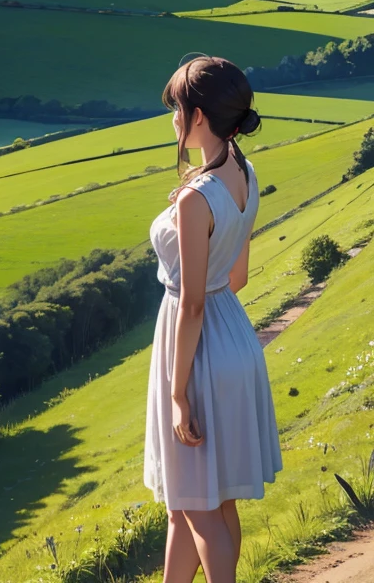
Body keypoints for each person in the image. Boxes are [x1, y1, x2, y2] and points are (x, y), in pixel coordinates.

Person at [144, 56, 282, 583]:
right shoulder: (244, 173)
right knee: (197, 502)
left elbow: (193, 302)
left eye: (176, 109)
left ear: (197, 115)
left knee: (202, 510)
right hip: (234, 335)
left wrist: (179, 395)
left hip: (196, 345)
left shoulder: (195, 198)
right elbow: (238, 275)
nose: (172, 119)